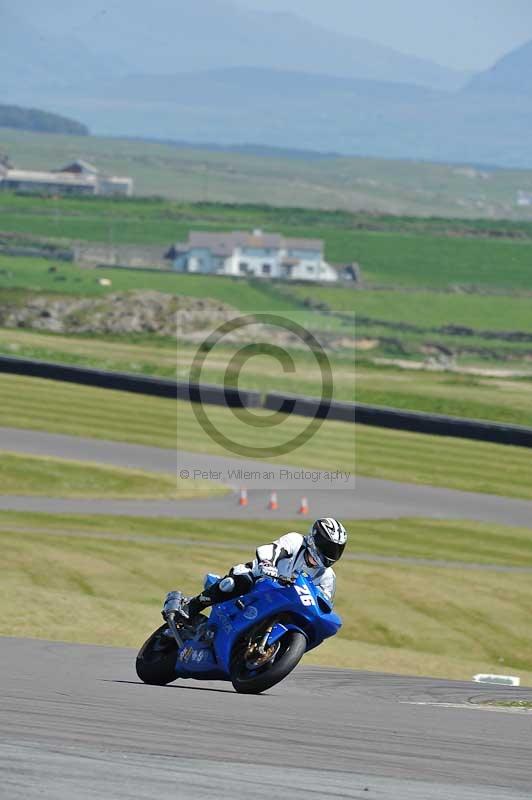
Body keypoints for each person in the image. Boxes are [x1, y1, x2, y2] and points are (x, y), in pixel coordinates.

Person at [170, 518, 348, 623]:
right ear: (315, 539)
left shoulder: (327, 577)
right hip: (259, 580)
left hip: (285, 603)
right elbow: (271, 549)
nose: (330, 553)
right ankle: (192, 606)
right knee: (237, 582)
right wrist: (267, 563)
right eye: (328, 547)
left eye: (336, 550)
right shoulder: (295, 541)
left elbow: (324, 604)